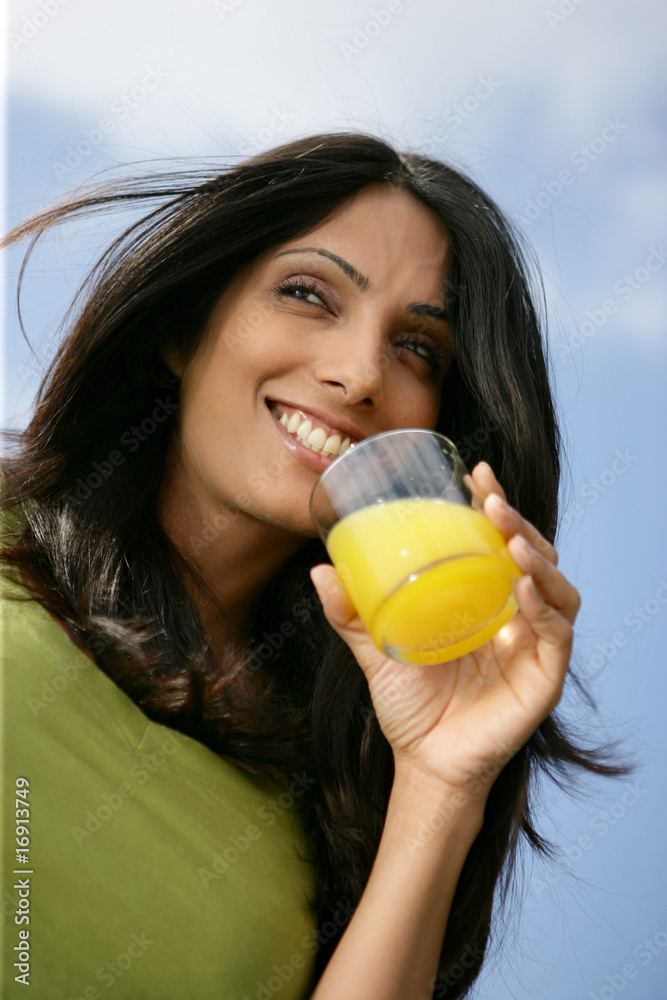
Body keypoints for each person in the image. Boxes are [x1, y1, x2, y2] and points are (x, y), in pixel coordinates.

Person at [0, 132, 625, 999]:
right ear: (183, 325)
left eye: (418, 349)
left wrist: (440, 783)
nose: (360, 374)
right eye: (307, 293)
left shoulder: (332, 795)